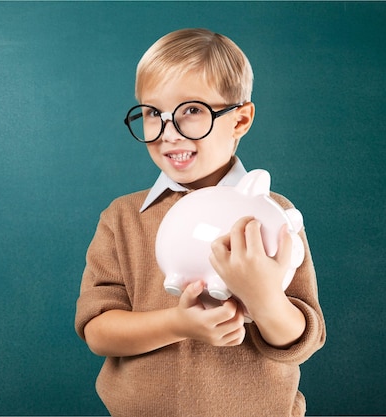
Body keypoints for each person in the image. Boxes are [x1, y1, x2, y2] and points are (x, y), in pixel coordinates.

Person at [74, 28, 326, 417]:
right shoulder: (122, 218)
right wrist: (178, 324)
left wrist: (263, 296)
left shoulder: (273, 214)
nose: (168, 132)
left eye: (192, 110)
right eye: (153, 113)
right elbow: (98, 330)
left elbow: (301, 340)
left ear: (240, 120)